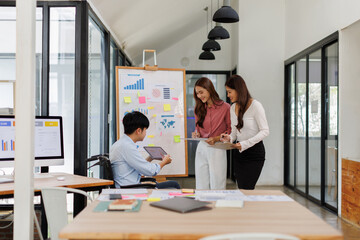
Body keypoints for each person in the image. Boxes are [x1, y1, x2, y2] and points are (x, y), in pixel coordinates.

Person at [220, 75, 269, 190]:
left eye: (229, 92)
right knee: (241, 188)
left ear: (238, 90)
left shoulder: (256, 106)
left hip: (254, 153)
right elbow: (234, 132)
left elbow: (265, 131)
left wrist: (245, 144)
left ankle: (250, 208)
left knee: (247, 188)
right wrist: (229, 138)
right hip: (239, 154)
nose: (228, 95)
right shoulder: (232, 108)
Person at [110, 111, 180, 189]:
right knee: (174, 184)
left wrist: (150, 158)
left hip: (129, 186)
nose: (146, 133)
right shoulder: (127, 147)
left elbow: (139, 167)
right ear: (139, 131)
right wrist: (164, 162)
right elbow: (150, 171)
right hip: (131, 189)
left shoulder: (121, 144)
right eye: (145, 130)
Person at [192, 77, 231, 190]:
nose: (199, 96)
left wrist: (217, 138)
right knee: (201, 182)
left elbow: (230, 130)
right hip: (202, 146)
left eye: (201, 92)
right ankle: (202, 204)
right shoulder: (198, 108)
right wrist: (196, 134)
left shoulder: (225, 108)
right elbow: (197, 129)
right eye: (197, 93)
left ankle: (217, 205)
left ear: (209, 89)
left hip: (217, 147)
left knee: (217, 182)